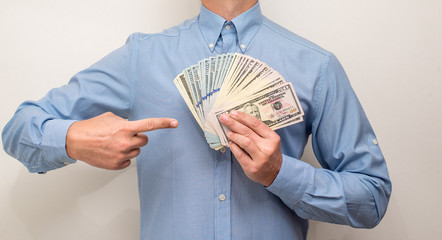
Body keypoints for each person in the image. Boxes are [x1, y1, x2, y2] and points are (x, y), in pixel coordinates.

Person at [2, 0, 391, 239]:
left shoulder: (316, 66)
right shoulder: (142, 56)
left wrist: (280, 172)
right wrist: (73, 139)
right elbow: (19, 127)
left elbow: (372, 198)